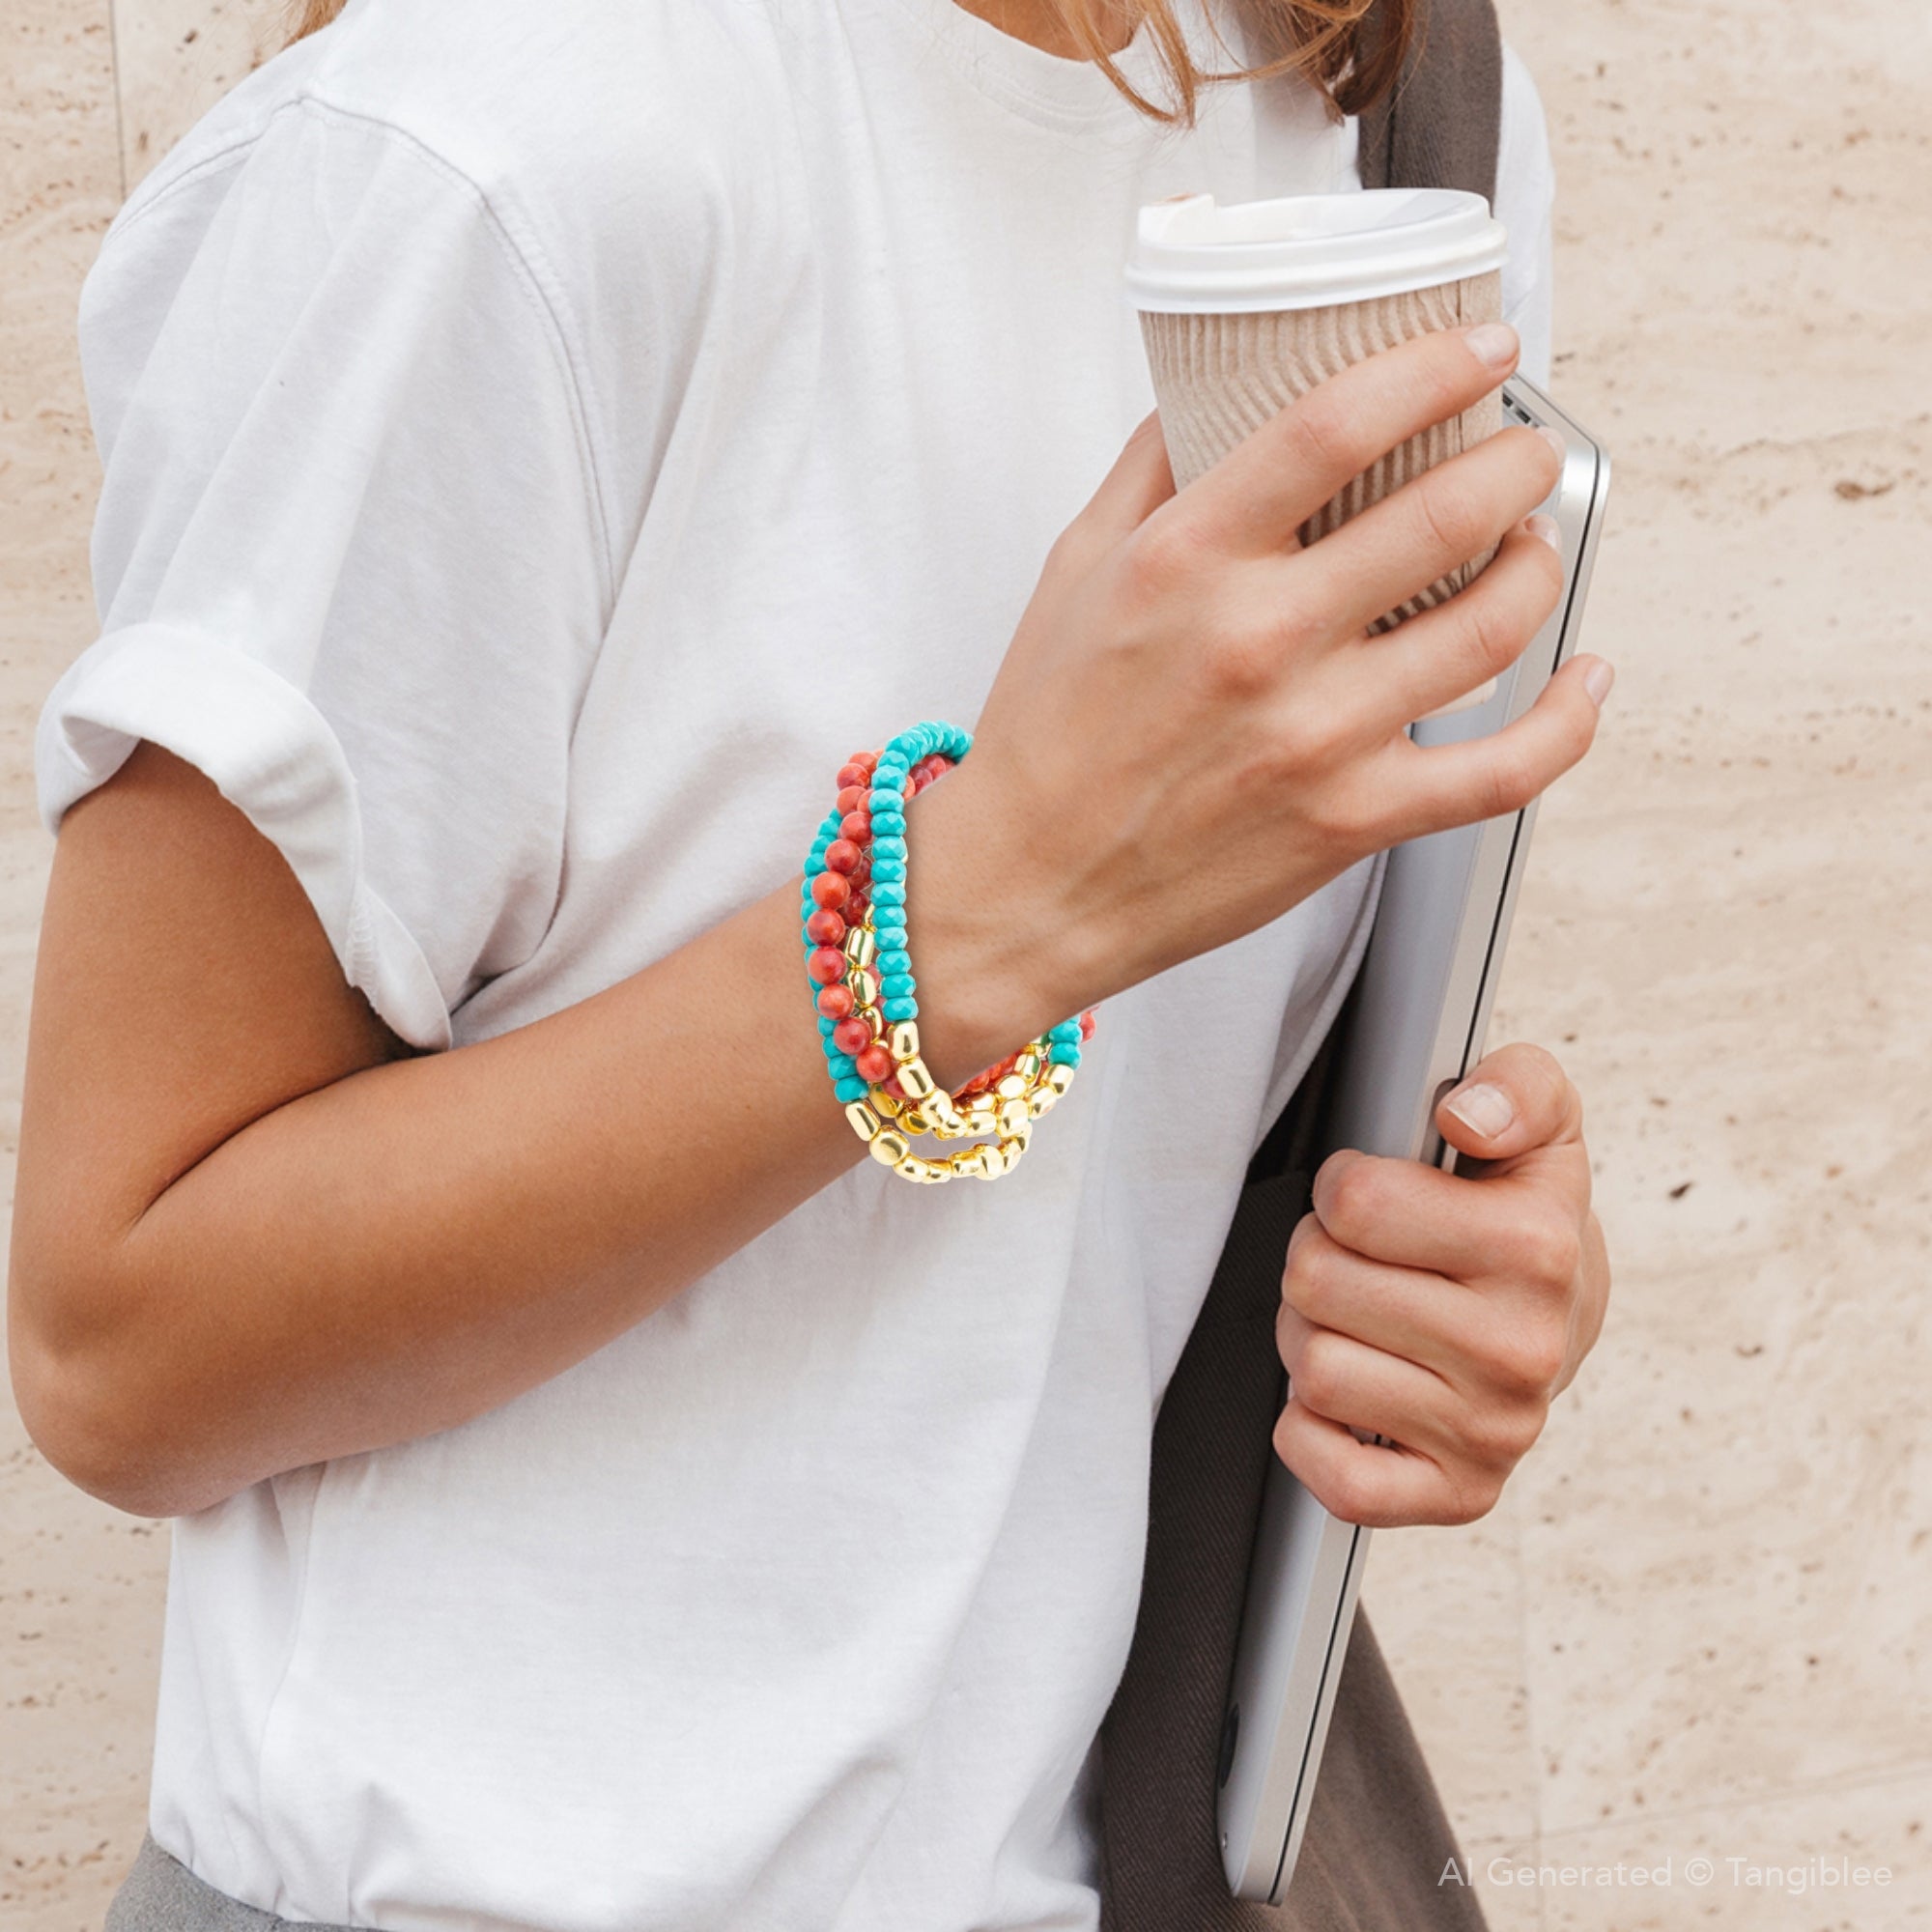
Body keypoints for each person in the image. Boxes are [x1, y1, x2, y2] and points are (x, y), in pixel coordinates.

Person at [11, 0, 1611, 1924]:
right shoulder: (497, 153)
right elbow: (119, 1339)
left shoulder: (1389, 122)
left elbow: (1150, 1170)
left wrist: (1442, 1279)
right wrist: (974, 915)